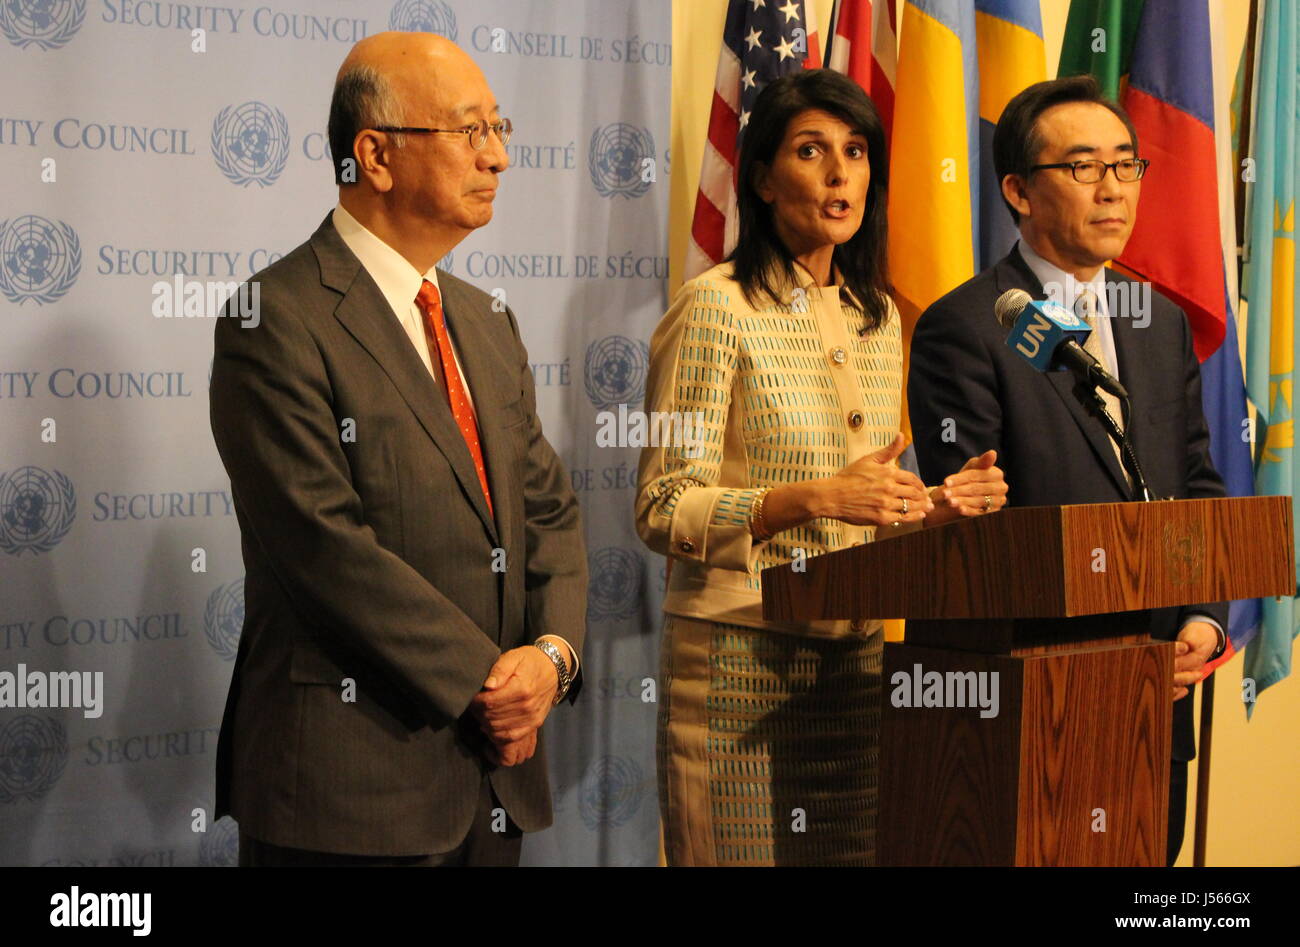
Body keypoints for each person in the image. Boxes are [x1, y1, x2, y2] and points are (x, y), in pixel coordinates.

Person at [208, 32, 587, 866]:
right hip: (349, 787)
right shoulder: (273, 316)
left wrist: (551, 661)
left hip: (494, 782)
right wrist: (490, 685)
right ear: (375, 156)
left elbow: (548, 513)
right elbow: (324, 547)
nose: (498, 158)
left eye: (501, 128)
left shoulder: (485, 321)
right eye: (469, 131)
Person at [635, 69, 1007, 866]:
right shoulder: (715, 307)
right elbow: (664, 506)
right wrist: (811, 498)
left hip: (855, 666)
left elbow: (860, 507)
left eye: (856, 151)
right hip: (739, 663)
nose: (842, 173)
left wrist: (930, 507)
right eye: (812, 151)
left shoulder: (879, 320)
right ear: (764, 179)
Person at [907, 75, 1228, 867]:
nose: (1114, 189)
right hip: (1031, 711)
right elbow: (981, 533)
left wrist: (1200, 620)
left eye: (1127, 166)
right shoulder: (970, 327)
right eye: (1084, 168)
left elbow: (1196, 486)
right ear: (1018, 190)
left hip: (1156, 701)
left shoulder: (1160, 324)